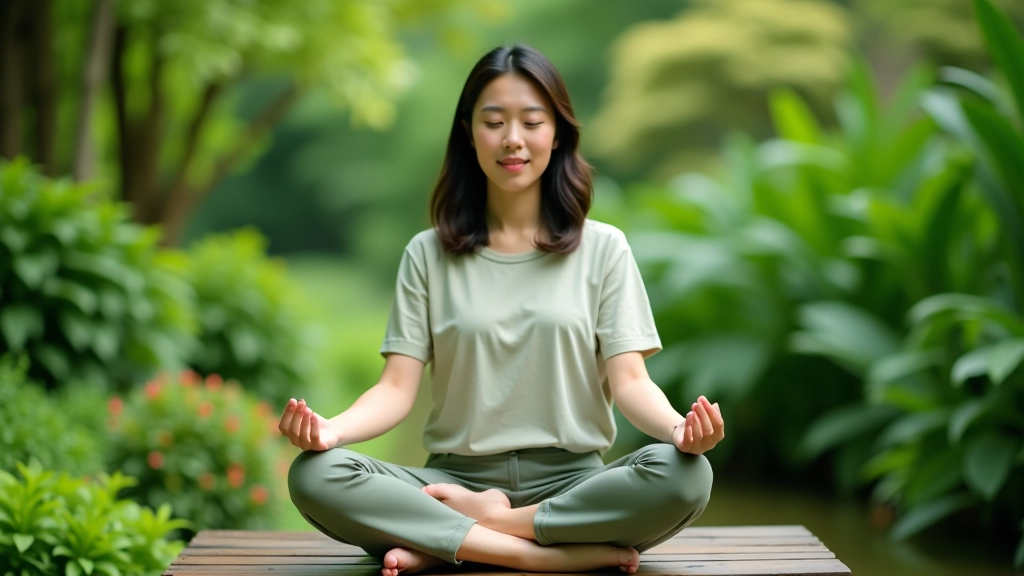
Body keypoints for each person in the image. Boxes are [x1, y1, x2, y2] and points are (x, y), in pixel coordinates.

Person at [280, 44, 725, 576]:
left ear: (556, 133)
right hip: (450, 482)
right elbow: (396, 390)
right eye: (494, 122)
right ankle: (538, 556)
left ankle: (465, 536)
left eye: (531, 121)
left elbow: (630, 383)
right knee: (314, 474)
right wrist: (332, 430)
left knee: (687, 475)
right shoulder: (428, 253)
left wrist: (679, 431)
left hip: (573, 483)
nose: (513, 139)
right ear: (469, 133)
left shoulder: (605, 249)